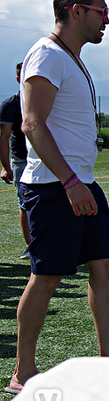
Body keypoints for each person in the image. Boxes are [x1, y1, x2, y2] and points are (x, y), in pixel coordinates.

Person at [7, 0, 109, 394]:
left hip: (81, 183)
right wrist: (70, 181)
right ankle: (22, 372)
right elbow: (32, 123)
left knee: (105, 267)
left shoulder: (69, 57)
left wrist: (79, 181)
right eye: (101, 11)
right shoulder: (47, 54)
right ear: (77, 11)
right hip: (56, 187)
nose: (106, 20)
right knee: (48, 275)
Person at [0, 62, 31, 259]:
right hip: (21, 161)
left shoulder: (47, 99)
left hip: (46, 159)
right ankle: (31, 246)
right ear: (20, 79)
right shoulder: (10, 105)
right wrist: (5, 167)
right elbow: (3, 138)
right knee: (25, 203)